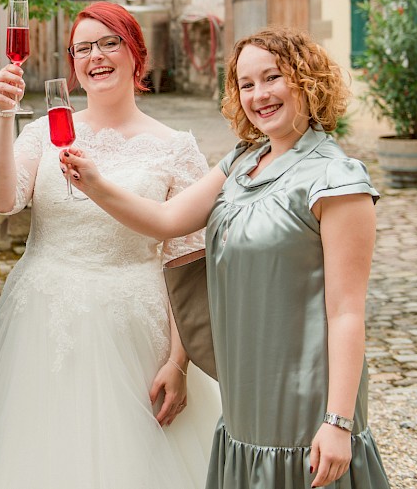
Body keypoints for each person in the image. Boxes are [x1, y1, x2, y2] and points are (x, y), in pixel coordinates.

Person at [62, 26, 392, 489]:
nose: (260, 95)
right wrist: (94, 184)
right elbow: (164, 219)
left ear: (306, 79)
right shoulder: (241, 162)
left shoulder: (338, 180)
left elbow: (346, 313)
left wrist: (337, 422)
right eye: (246, 84)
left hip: (306, 396)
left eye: (273, 77)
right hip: (242, 392)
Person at [0, 1, 222, 488]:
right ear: (72, 64)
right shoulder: (45, 133)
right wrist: (4, 116)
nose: (96, 56)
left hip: (135, 329)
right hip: (41, 325)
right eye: (82, 48)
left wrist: (180, 363)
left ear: (135, 52)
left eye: (109, 42)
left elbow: (189, 263)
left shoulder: (175, 147)